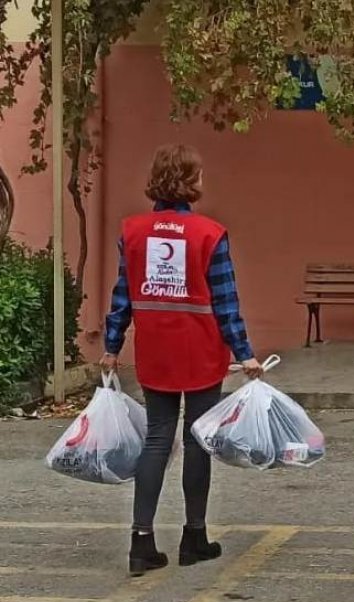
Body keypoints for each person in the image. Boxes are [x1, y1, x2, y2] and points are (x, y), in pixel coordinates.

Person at [99, 144, 263, 577]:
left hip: (155, 350)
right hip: (202, 350)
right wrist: (245, 353)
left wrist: (112, 346)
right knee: (197, 440)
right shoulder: (210, 234)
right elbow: (225, 302)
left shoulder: (133, 232)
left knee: (157, 439)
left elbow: (123, 296)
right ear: (190, 181)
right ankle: (194, 537)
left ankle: (141, 542)